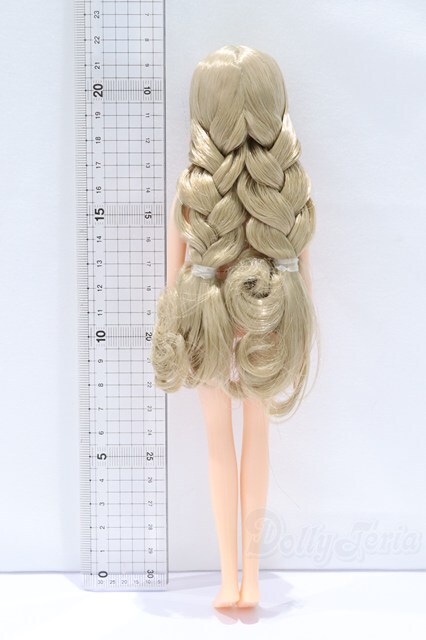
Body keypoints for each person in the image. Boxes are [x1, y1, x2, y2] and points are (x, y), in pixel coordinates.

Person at [151, 44, 318, 608]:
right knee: (253, 439)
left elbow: (174, 278)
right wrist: (296, 326)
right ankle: (246, 578)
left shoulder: (193, 192)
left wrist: (173, 328)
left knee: (219, 441)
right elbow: (301, 270)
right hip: (264, 324)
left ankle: (233, 578)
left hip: (211, 323)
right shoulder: (288, 188)